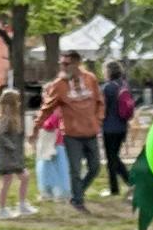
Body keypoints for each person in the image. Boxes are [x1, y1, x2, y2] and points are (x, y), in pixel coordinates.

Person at [54, 51, 106, 211]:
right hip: (71, 134)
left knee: (95, 167)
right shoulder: (60, 84)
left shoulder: (90, 78)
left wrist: (98, 120)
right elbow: (49, 104)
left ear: (77, 63)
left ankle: (77, 192)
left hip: (90, 132)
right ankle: (78, 200)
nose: (63, 66)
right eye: (61, 63)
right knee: (75, 170)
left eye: (66, 63)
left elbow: (100, 101)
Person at [101, 69, 141, 197]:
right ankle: (129, 182)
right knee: (115, 157)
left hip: (109, 127)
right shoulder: (124, 86)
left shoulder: (107, 88)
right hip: (122, 127)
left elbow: (103, 108)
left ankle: (118, 187)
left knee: (111, 158)